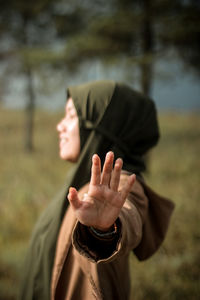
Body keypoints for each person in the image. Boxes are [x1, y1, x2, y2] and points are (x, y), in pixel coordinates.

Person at [19, 80, 174, 300]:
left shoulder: (122, 186)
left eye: (72, 116)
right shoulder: (83, 183)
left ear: (105, 128)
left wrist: (104, 230)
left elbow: (129, 213)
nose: (60, 126)